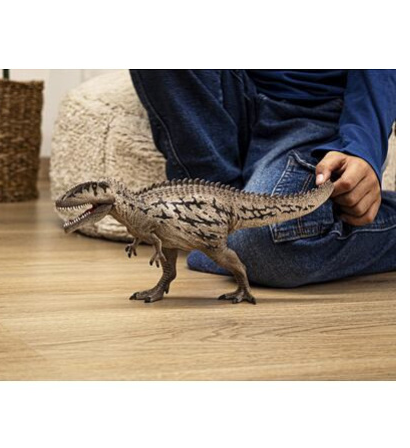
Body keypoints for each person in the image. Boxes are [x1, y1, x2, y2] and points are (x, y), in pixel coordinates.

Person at [129, 70, 396, 287]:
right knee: (239, 242)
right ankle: (219, 234)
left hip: (314, 112)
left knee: (265, 245)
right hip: (235, 96)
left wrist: (362, 145)